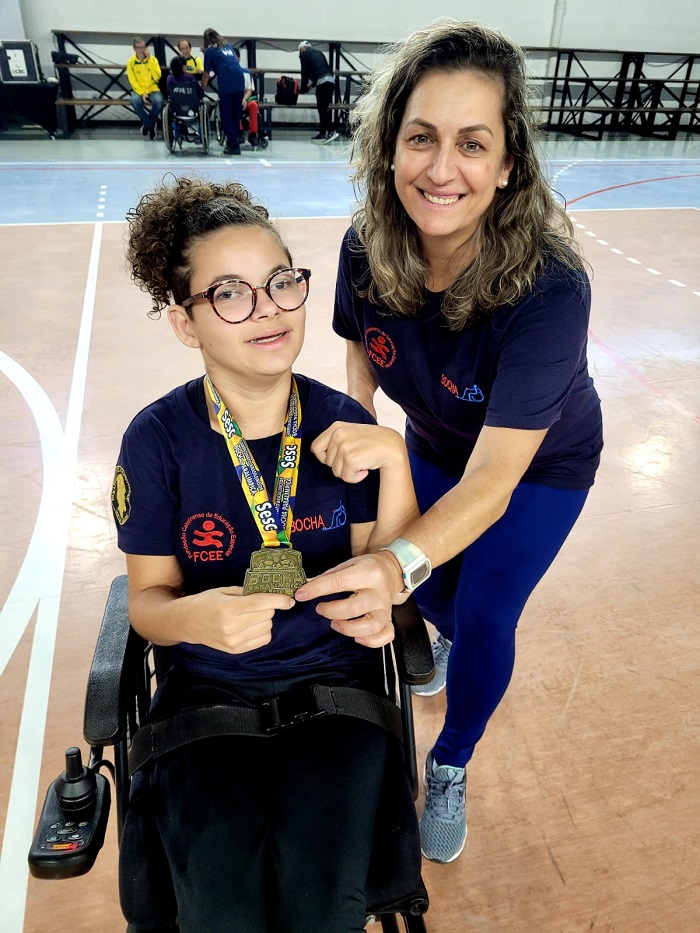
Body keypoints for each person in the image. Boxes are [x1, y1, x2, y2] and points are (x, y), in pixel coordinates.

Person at [298, 20, 604, 864]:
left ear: (508, 165)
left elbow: (493, 482)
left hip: (536, 467)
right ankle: (431, 631)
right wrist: (355, 419)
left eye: (473, 143)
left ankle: (453, 759)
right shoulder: (367, 242)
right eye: (421, 137)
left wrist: (394, 562)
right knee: (430, 599)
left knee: (480, 608)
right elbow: (358, 337)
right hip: (431, 436)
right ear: (389, 146)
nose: (441, 168)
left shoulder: (549, 288)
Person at [113, 175, 421, 932]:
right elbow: (147, 604)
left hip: (334, 692)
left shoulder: (344, 424)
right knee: (219, 911)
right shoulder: (156, 443)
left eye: (282, 282)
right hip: (204, 701)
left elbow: (386, 575)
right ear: (188, 324)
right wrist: (195, 620)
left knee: (325, 907)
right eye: (229, 293)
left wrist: (397, 460)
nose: (269, 309)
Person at [201, 28, 245, 155]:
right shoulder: (228, 47)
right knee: (236, 114)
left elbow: (206, 74)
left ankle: (234, 146)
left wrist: (202, 89)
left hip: (227, 82)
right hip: (239, 80)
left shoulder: (209, 51)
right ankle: (234, 140)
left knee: (226, 115)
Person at [298, 40, 339, 142]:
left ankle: (331, 131)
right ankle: (322, 133)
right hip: (330, 82)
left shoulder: (304, 55)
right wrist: (312, 86)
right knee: (324, 108)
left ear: (302, 49)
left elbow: (305, 73)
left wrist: (303, 89)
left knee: (322, 109)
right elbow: (321, 70)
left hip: (323, 83)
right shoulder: (319, 53)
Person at [126, 36, 163, 140]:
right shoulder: (131, 62)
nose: (143, 49)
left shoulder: (153, 60)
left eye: (144, 46)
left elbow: (157, 76)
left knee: (158, 102)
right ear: (134, 48)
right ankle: (149, 126)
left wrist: (149, 60)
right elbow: (132, 80)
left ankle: (149, 123)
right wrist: (142, 92)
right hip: (139, 90)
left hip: (152, 88)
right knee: (134, 101)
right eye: (140, 47)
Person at [234, 46, 260, 147]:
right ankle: (239, 131)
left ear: (239, 58)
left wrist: (244, 99)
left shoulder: (245, 72)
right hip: (235, 98)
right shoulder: (227, 73)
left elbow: (249, 90)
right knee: (236, 104)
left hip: (246, 97)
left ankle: (253, 133)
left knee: (253, 105)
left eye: (236, 57)